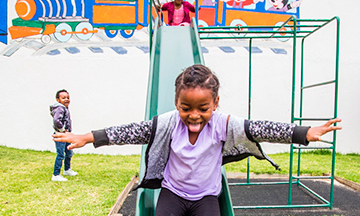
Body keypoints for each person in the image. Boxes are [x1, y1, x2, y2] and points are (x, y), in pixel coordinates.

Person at [52, 65, 341, 215]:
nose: (193, 115)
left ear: (215, 103)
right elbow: (132, 131)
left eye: (202, 108)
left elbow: (260, 128)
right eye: (185, 107)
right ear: (176, 103)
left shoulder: (222, 124)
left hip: (205, 197)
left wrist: (303, 133)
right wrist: (89, 137)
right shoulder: (167, 123)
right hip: (173, 193)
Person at [50, 89, 78, 182]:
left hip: (66, 135)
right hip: (60, 135)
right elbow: (56, 121)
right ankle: (56, 174)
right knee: (61, 154)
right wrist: (62, 130)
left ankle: (67, 169)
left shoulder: (64, 108)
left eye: (68, 97)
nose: (66, 99)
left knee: (69, 152)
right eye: (63, 98)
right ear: (58, 100)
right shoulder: (60, 108)